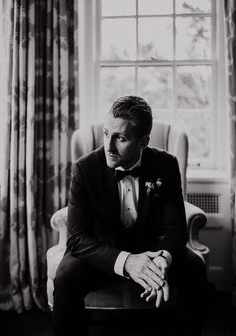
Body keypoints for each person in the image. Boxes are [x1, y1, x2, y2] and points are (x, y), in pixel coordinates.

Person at [52, 95, 208, 336]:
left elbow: (176, 229)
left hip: (152, 249)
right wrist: (127, 262)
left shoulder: (166, 165)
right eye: (106, 134)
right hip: (102, 251)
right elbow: (76, 239)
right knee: (65, 277)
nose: (108, 146)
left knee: (194, 268)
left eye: (120, 138)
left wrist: (161, 260)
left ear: (143, 142)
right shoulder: (85, 168)